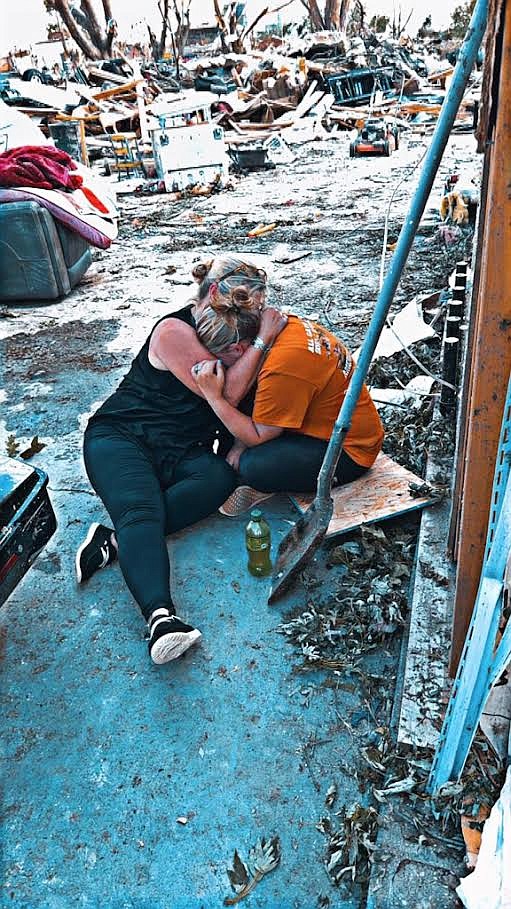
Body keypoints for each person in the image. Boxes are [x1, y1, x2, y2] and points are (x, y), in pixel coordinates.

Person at [76, 257, 287, 665]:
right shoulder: (173, 331)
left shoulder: (230, 333)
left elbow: (247, 400)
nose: (243, 326)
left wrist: (239, 446)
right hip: (122, 439)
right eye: (241, 309)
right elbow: (223, 394)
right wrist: (262, 342)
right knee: (140, 510)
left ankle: (114, 541)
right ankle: (161, 620)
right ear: (211, 294)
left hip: (179, 452)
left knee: (220, 477)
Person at [193, 310, 384, 514]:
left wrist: (214, 397)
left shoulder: (282, 367)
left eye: (220, 360)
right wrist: (239, 443)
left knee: (253, 466)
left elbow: (258, 436)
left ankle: (270, 485)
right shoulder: (279, 327)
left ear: (237, 349)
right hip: (328, 423)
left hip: (350, 450)